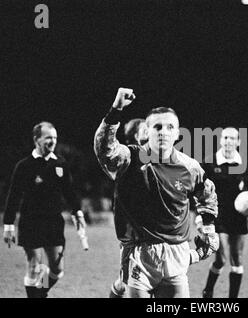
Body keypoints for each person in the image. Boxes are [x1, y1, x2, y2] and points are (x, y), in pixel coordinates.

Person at [94, 87, 219, 298]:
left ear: (178, 133)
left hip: (177, 253)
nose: (163, 131)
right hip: (140, 255)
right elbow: (104, 149)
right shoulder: (130, 159)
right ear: (147, 131)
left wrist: (208, 226)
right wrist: (116, 109)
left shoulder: (190, 167)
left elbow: (207, 194)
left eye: (170, 127)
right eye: (157, 127)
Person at [3, 122, 86, 298]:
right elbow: (13, 196)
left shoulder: (60, 163)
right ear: (36, 140)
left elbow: (69, 192)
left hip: (53, 222)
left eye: (55, 138)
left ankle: (40, 291)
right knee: (35, 265)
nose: (53, 141)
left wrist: (77, 211)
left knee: (57, 270)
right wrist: (8, 224)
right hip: (30, 222)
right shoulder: (24, 166)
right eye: (48, 138)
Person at [201, 127, 248, 298]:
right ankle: (208, 290)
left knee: (237, 258)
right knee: (221, 259)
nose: (228, 141)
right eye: (225, 138)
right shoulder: (209, 163)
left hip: (238, 217)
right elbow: (199, 191)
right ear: (220, 140)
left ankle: (233, 301)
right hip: (216, 216)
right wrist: (200, 216)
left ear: (238, 142)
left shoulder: (245, 164)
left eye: (232, 138)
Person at [109, 118, 148, 298]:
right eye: (145, 129)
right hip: (132, 232)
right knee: (126, 284)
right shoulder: (128, 158)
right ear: (135, 135)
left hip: (151, 231)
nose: (150, 132)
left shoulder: (153, 158)